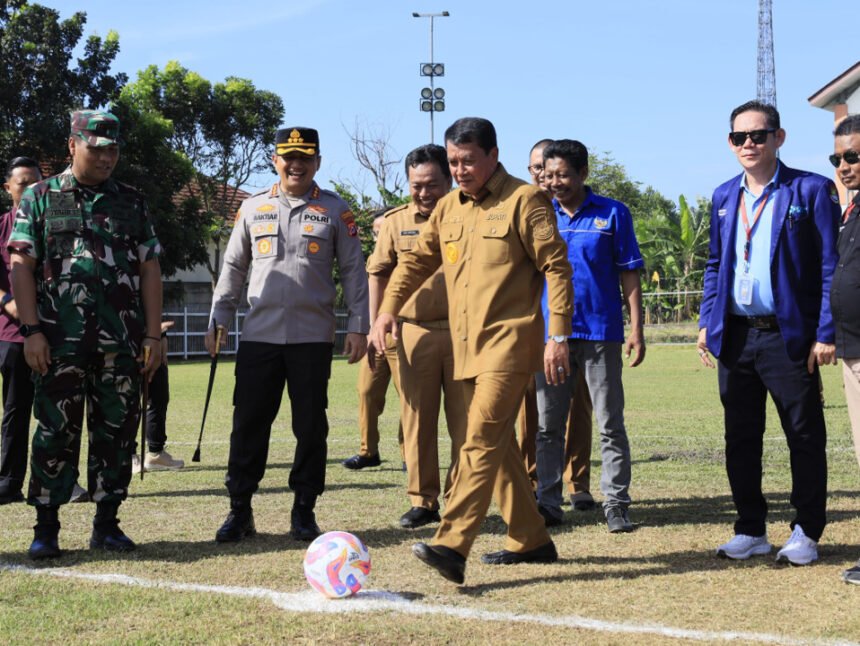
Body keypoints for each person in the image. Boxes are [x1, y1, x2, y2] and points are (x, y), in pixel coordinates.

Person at [369, 117, 573, 584]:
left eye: (468, 161)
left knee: (478, 441)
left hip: (510, 345)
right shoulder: (448, 209)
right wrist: (388, 310)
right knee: (495, 449)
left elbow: (557, 269)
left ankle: (451, 543)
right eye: (454, 161)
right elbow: (416, 260)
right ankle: (530, 537)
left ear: (493, 156)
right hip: (465, 348)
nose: (459, 170)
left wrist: (557, 336)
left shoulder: (526, 200)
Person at [9, 110, 163, 559]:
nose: (106, 157)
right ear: (72, 146)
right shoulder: (39, 197)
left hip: (121, 342)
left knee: (116, 433)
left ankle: (108, 523)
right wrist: (32, 330)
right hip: (58, 341)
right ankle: (46, 528)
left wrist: (154, 335)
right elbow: (22, 264)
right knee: (54, 431)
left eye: (112, 149)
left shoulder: (131, 201)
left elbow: (150, 267)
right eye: (96, 148)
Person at [207, 127, 368, 543]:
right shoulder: (252, 207)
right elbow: (233, 266)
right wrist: (219, 316)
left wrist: (358, 325)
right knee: (248, 425)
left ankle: (304, 510)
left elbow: (353, 270)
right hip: (259, 336)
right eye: (288, 157)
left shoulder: (337, 210)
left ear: (317, 162)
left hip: (312, 339)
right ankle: (240, 510)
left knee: (311, 427)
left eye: (305, 157)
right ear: (275, 160)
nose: (296, 164)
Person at [698, 100, 840, 566]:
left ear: (779, 138)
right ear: (729, 143)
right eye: (740, 137)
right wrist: (707, 321)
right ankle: (750, 528)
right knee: (740, 436)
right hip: (736, 336)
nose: (749, 145)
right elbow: (715, 264)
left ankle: (806, 530)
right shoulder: (723, 196)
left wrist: (824, 332)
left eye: (758, 135)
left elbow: (827, 267)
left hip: (788, 335)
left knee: (803, 433)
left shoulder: (811, 189)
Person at [536, 139, 645, 532]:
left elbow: (629, 271)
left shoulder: (614, 213)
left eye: (563, 174)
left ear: (583, 173)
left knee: (609, 423)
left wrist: (636, 327)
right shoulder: (537, 214)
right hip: (550, 339)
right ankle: (547, 503)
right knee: (548, 426)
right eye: (548, 175)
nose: (555, 182)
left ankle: (616, 503)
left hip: (601, 335)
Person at [367, 144, 467, 529]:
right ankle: (423, 501)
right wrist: (377, 321)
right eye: (416, 186)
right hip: (414, 333)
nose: (424, 193)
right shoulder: (394, 222)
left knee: (465, 423)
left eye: (432, 185)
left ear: (449, 179)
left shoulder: (469, 214)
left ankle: (459, 499)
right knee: (417, 419)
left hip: (464, 333)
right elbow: (378, 273)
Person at [528, 139, 596, 511]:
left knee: (579, 410)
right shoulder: (527, 211)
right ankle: (536, 484)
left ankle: (578, 482)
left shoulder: (599, 212)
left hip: (584, 329)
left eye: (552, 170)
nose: (545, 177)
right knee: (536, 416)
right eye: (538, 170)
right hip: (532, 330)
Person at [343, 209, 404, 471]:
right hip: (374, 336)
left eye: (385, 230)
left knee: (410, 399)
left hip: (402, 334)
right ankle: (369, 451)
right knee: (367, 391)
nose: (381, 235)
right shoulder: (370, 260)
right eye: (377, 231)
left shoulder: (407, 258)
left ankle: (409, 455)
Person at [828, 113, 860, 584]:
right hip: (852, 348)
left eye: (853, 155)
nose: (844, 165)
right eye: (837, 158)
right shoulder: (851, 210)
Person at [0, 157, 40, 505]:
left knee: (56, 410)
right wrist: (8, 301)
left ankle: (59, 480)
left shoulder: (53, 227)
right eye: (22, 183)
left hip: (48, 333)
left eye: (35, 183)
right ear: (8, 188)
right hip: (10, 335)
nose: (29, 189)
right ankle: (9, 483)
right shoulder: (1, 227)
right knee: (15, 410)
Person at [132, 320, 184, 473]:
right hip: (128, 337)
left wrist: (161, 336)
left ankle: (156, 453)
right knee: (130, 400)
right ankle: (128, 455)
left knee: (158, 398)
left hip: (154, 339)